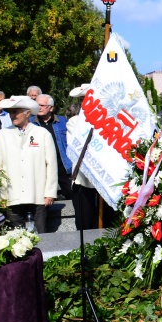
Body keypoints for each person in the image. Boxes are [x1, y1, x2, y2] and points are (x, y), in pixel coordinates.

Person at [0, 95, 58, 233]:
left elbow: (51, 164)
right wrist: (1, 195)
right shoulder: (2, 135)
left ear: (27, 113)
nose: (12, 115)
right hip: (12, 195)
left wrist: (50, 193)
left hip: (38, 195)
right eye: (11, 112)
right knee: (15, 238)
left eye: (16, 112)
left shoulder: (42, 133)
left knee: (41, 235)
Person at [67, 84, 98, 230]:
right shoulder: (74, 122)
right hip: (83, 180)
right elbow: (78, 148)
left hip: (105, 182)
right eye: (82, 100)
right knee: (85, 224)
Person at [32, 94, 72, 201]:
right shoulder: (31, 123)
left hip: (63, 166)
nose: (38, 107)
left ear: (51, 108)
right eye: (37, 105)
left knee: (72, 192)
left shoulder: (62, 121)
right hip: (42, 167)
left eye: (42, 105)